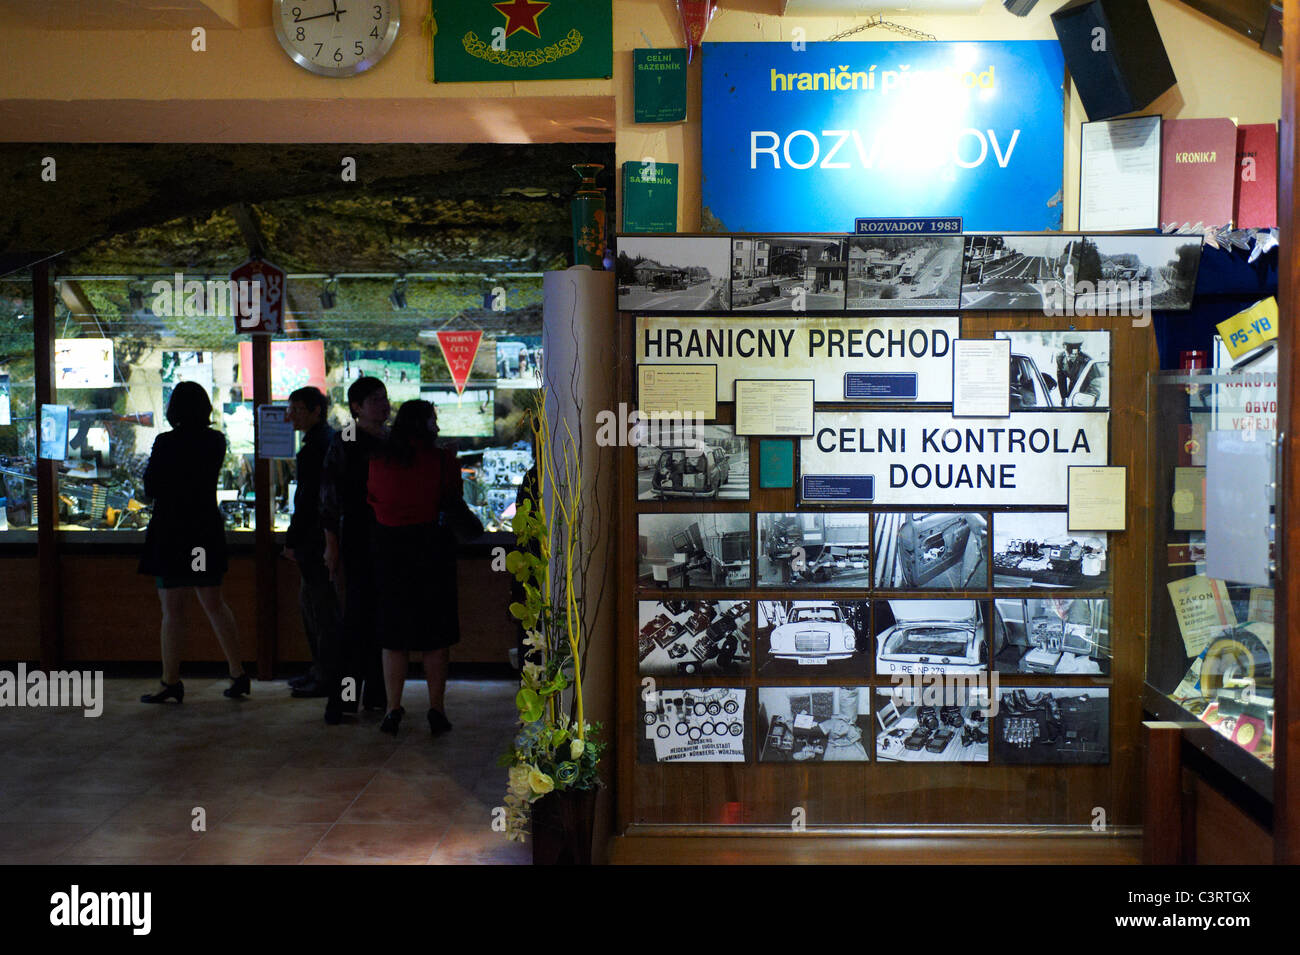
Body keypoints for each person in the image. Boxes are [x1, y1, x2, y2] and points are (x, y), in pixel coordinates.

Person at [138, 380, 248, 703]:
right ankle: (238, 672)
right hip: (203, 532)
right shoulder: (216, 441)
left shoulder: (165, 442)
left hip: (172, 533)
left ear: (174, 410)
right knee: (213, 602)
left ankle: (170, 680)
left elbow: (151, 487)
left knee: (173, 609)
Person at [364, 399, 461, 737]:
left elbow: (373, 501)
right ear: (425, 425)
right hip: (431, 552)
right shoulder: (440, 460)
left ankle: (393, 709)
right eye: (433, 419)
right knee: (434, 638)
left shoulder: (378, 459)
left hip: (390, 553)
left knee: (394, 638)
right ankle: (436, 708)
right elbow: (452, 497)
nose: (437, 425)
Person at [320, 376, 390, 722]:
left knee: (382, 620)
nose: (383, 404)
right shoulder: (346, 439)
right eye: (375, 399)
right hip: (357, 537)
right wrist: (332, 544)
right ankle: (343, 700)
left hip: (388, 537)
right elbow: (330, 497)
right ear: (357, 407)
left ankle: (378, 695)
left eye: (384, 397)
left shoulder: (393, 439)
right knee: (354, 622)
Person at [282, 386, 339, 700]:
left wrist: (292, 539)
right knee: (317, 606)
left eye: (297, 409)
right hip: (319, 539)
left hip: (314, 540)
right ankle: (321, 669)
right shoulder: (324, 441)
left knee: (320, 609)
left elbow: (307, 500)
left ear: (317, 410)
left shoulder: (316, 447)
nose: (290, 415)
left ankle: (326, 674)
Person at [1055, 333, 1093, 399]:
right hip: (1072, 391)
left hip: (1086, 394)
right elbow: (1061, 380)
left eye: (1076, 352)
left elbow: (1095, 381)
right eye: (1069, 351)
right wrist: (1064, 398)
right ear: (1064, 346)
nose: (1073, 354)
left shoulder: (1087, 360)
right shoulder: (1060, 358)